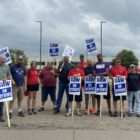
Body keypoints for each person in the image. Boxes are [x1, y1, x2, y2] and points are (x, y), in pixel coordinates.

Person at [0, 55, 11, 122]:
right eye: (2, 59)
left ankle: (1, 116)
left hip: (2, 86)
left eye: (4, 60)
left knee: (1, 103)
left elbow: (9, 75)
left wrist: (6, 78)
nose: (3, 61)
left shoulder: (6, 66)